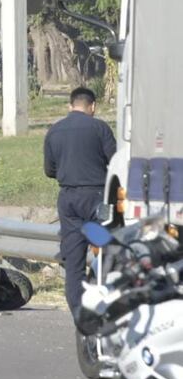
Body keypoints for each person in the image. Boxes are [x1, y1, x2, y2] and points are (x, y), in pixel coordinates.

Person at [44, 87, 116, 319]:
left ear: (70, 106)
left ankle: (78, 313)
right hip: (98, 197)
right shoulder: (100, 128)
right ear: (92, 106)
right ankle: (103, 304)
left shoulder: (54, 131)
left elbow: (49, 170)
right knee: (106, 251)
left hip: (68, 198)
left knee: (73, 260)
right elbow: (114, 163)